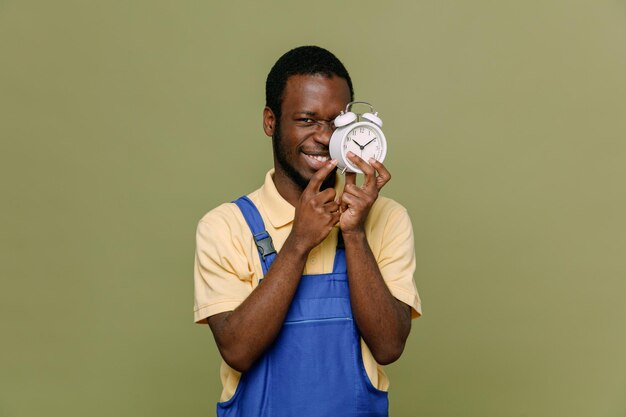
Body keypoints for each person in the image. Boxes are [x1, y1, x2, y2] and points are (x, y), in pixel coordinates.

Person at [194, 45, 422, 417]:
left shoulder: (388, 218)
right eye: (307, 120)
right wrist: (299, 241)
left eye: (337, 123)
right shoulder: (224, 226)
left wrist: (354, 234)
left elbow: (389, 346)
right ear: (271, 121)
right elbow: (237, 350)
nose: (324, 137)